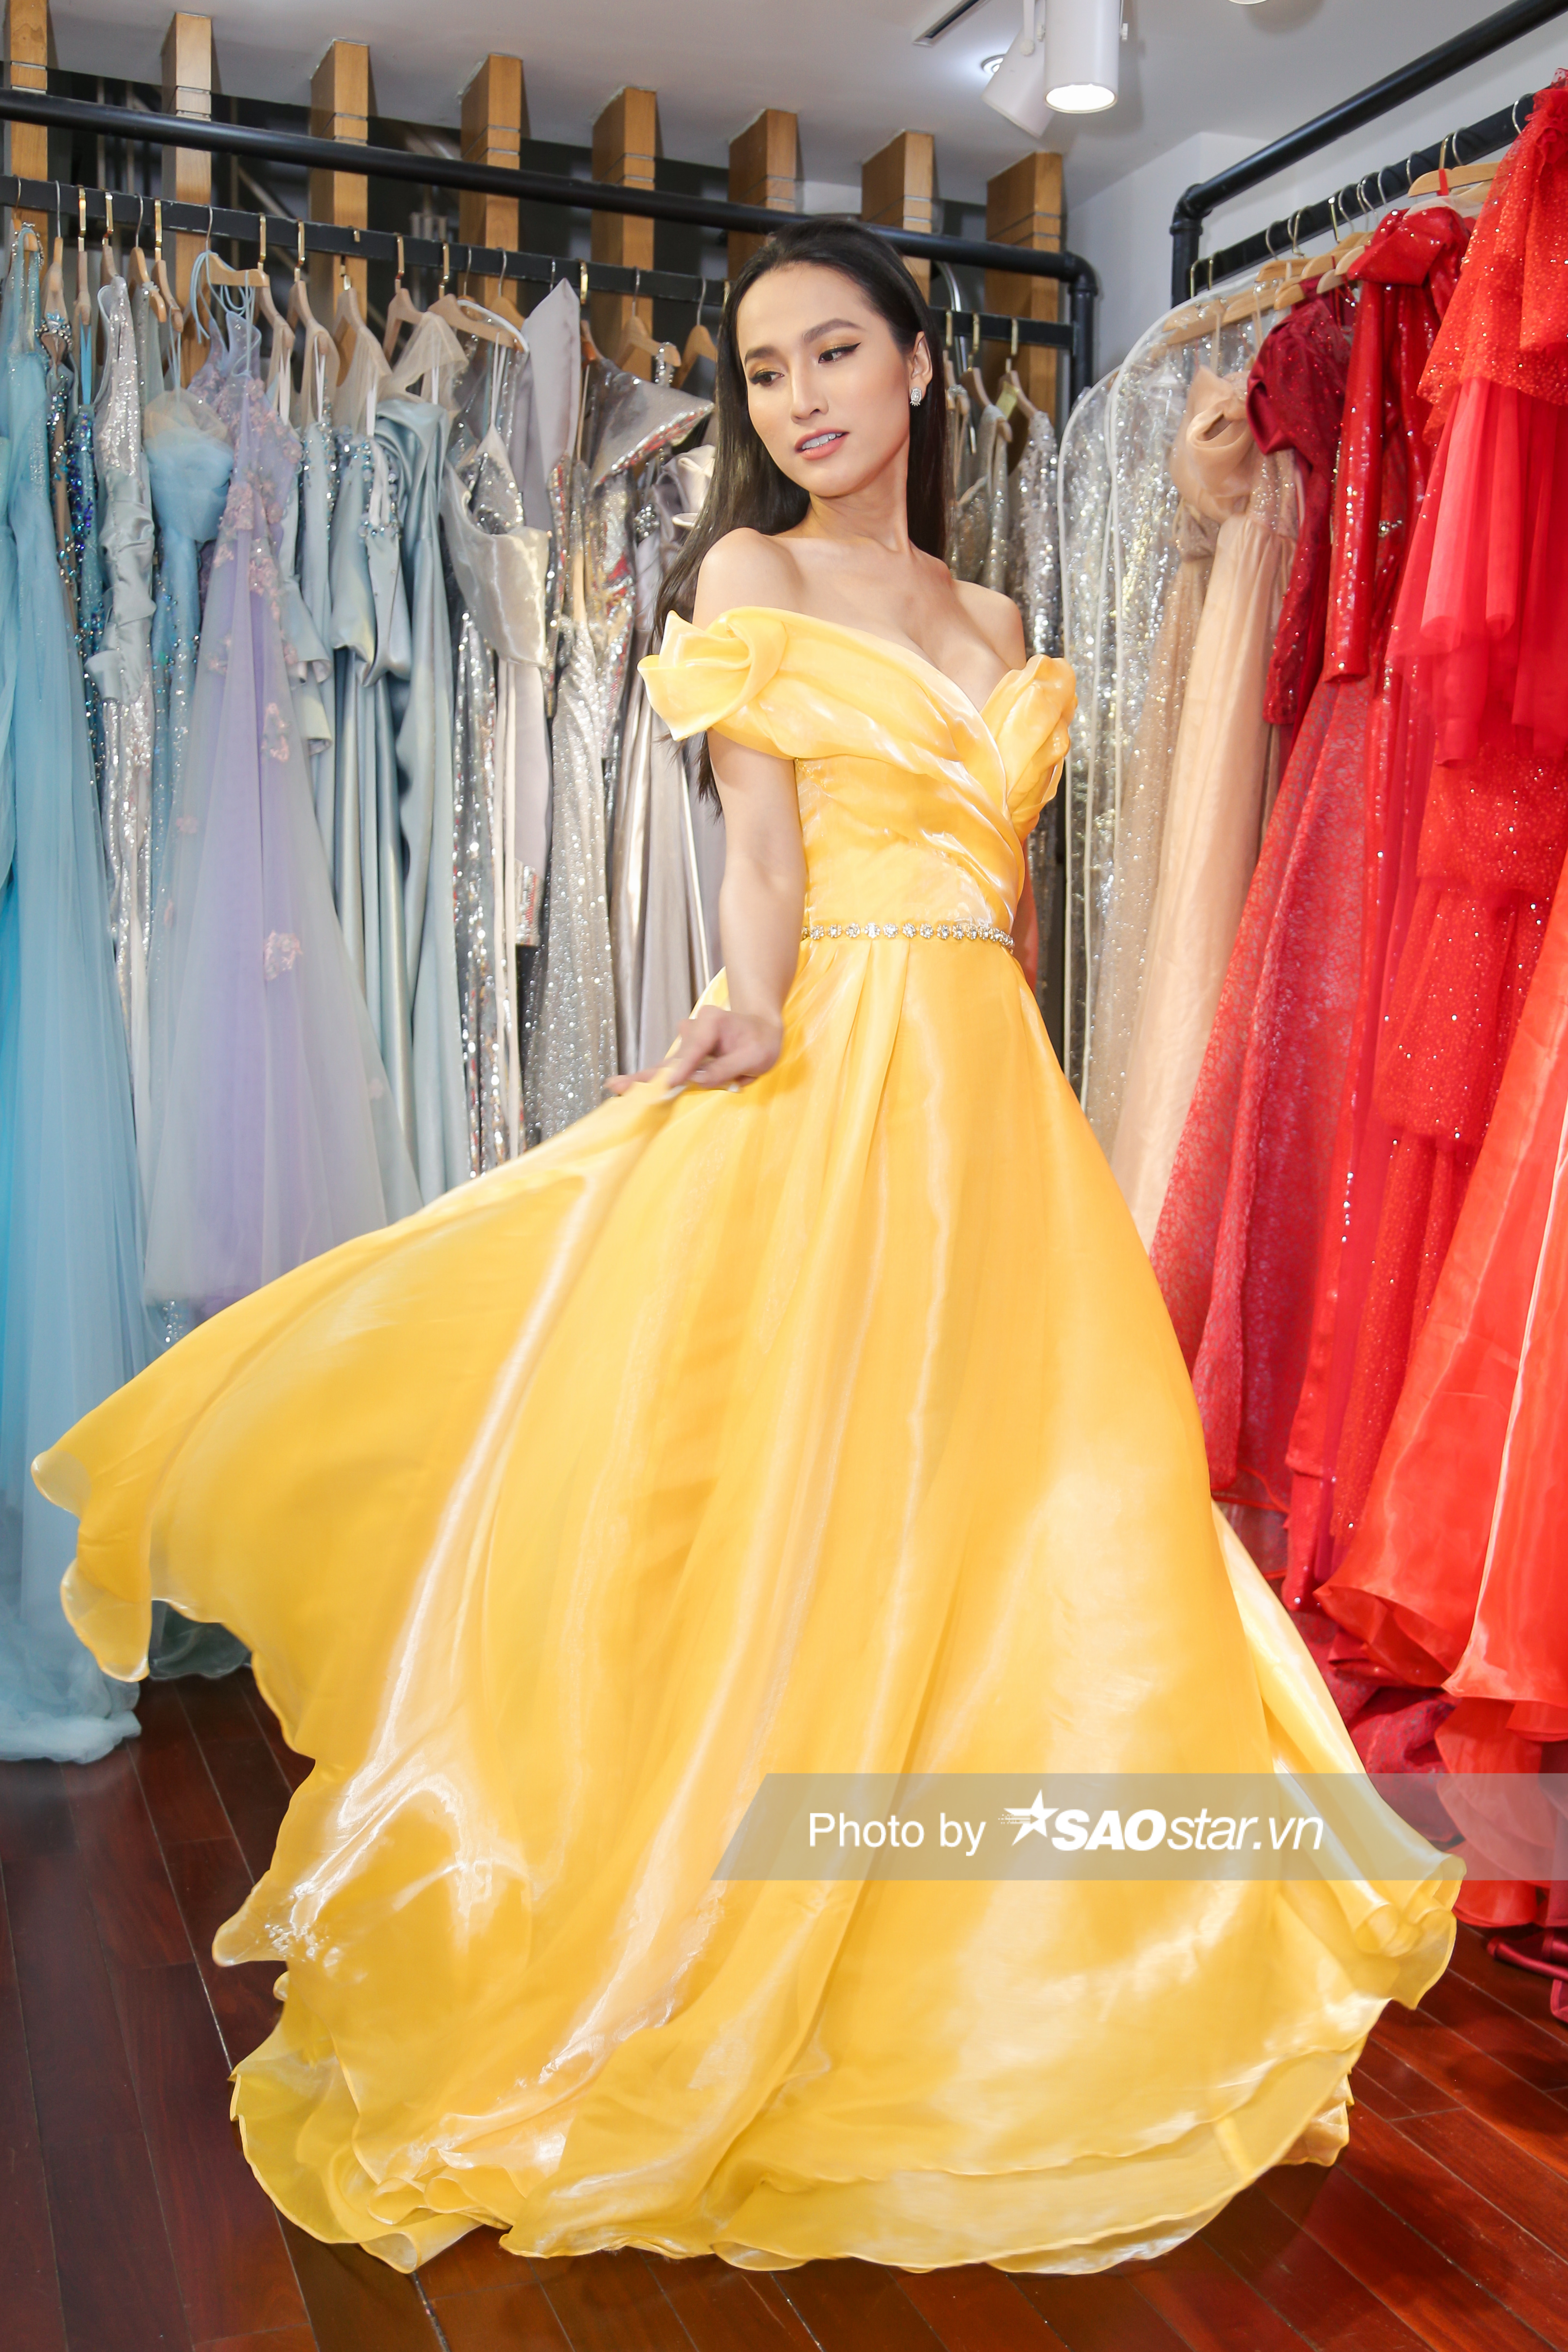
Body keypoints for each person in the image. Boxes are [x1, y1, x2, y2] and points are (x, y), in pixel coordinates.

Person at [35, 220, 1454, 2278]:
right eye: (765, 371)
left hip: (996, 1092)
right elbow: (762, 852)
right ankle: (738, 1917)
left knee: (1029, 1506)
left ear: (919, 365)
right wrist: (750, 1004)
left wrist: (1201, 517)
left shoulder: (996, 610)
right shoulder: (749, 581)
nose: (798, 401)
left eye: (833, 354)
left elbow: (1014, 902)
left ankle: (1012, 1935)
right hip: (843, 1055)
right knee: (804, 1497)